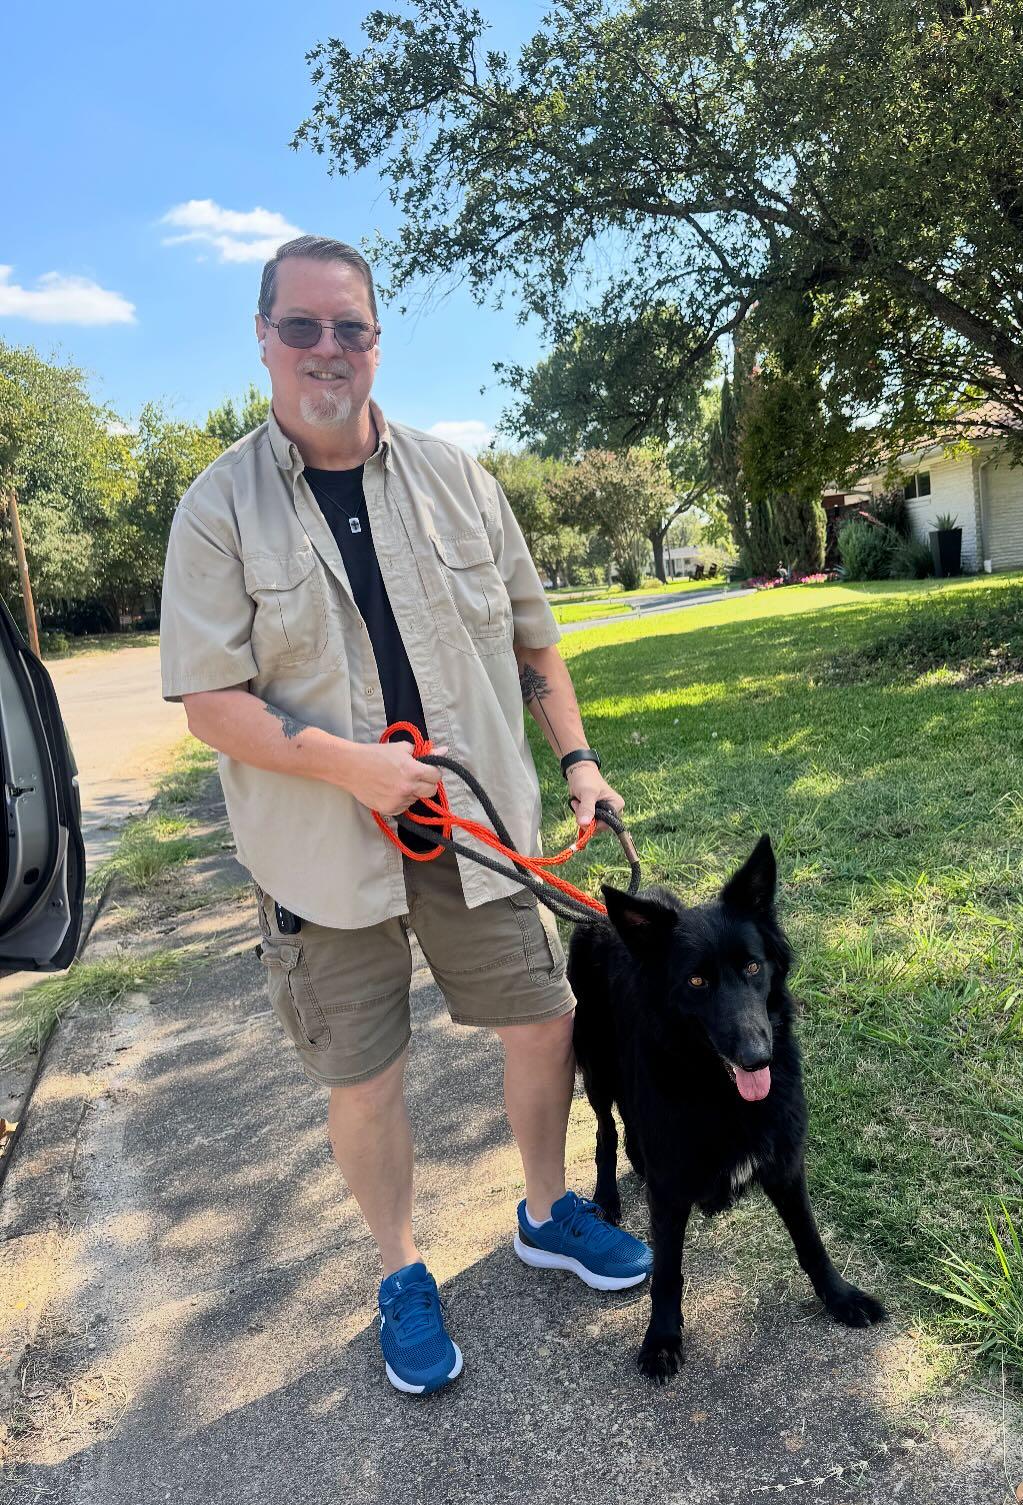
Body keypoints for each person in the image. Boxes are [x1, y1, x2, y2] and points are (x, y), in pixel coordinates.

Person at [159, 234, 651, 1396]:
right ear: (265, 337)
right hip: (321, 849)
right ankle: (401, 1269)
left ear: (377, 339)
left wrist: (576, 758)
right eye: (304, 327)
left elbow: (537, 636)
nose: (328, 350)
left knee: (542, 1019)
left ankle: (544, 1211)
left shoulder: (459, 478)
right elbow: (209, 704)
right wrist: (352, 769)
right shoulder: (217, 508)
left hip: (474, 829)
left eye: (352, 328)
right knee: (366, 1074)